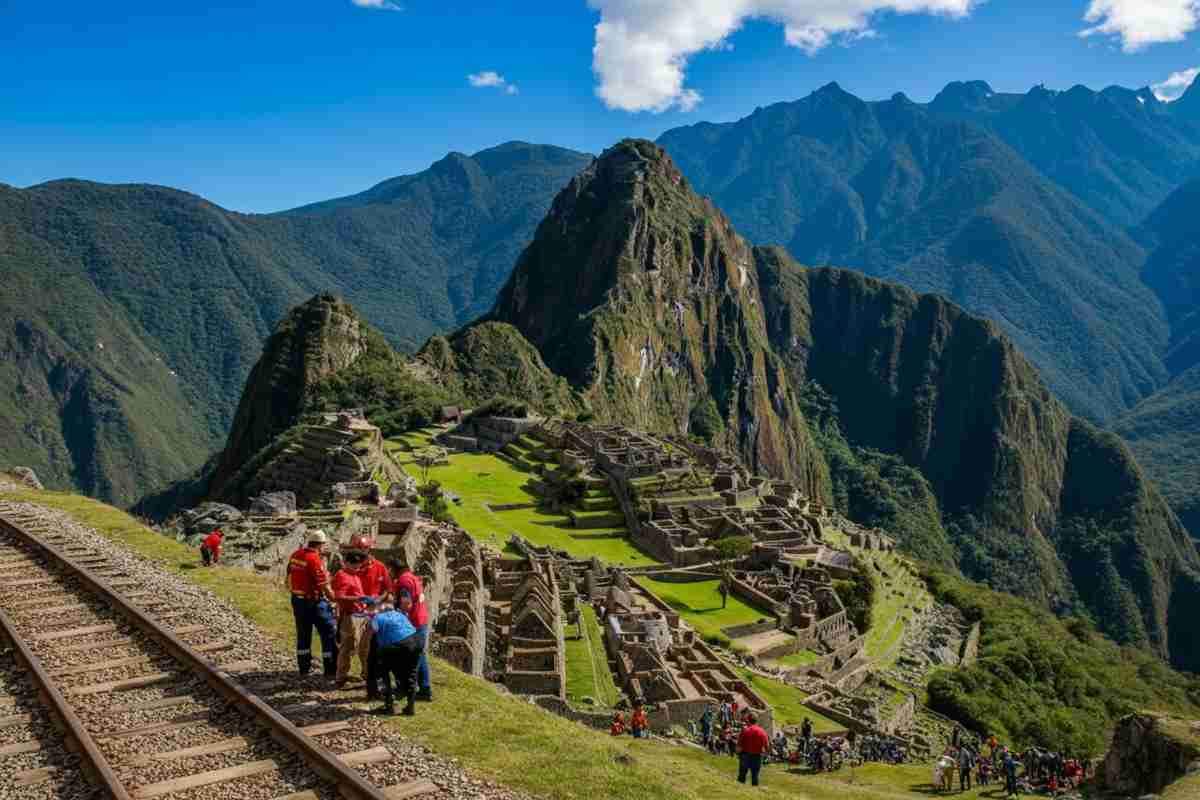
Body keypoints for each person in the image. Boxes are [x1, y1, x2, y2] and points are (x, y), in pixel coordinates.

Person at [286, 530, 338, 677]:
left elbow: (289, 573)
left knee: (303, 634)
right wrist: (335, 599)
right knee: (328, 632)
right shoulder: (314, 559)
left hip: (297, 599)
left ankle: (304, 668)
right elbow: (324, 585)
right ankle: (330, 669)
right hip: (313, 602)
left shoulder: (295, 555)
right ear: (320, 545)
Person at [348, 538, 390, 698]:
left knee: (370, 645)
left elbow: (387, 589)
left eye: (363, 549)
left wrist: (379, 600)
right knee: (354, 644)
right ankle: (360, 674)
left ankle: (368, 675)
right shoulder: (351, 567)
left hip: (374, 611)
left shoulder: (379, 567)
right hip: (355, 611)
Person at [371, 591, 423, 716]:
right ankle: (410, 707)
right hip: (416, 641)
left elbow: (372, 631)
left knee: (381, 671)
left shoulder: (377, 618)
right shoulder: (399, 614)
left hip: (397, 645)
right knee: (411, 673)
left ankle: (389, 704)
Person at [391, 559, 431, 702]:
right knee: (419, 655)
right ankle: (425, 689)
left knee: (409, 657)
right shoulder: (414, 578)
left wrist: (396, 616)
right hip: (421, 620)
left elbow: (406, 603)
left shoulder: (403, 582)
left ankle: (407, 688)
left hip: (412, 623)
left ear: (395, 570)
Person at [331, 553, 371, 688]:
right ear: (346, 563)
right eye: (354, 567)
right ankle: (341, 677)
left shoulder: (354, 575)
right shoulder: (342, 576)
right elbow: (339, 597)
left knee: (365, 646)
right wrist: (358, 599)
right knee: (348, 647)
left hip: (362, 614)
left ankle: (367, 674)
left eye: (358, 567)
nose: (357, 570)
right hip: (350, 616)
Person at [736, 713, 769, 786]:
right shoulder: (762, 731)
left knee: (741, 776)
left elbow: (738, 746)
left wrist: (738, 754)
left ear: (748, 720)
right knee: (755, 777)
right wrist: (765, 755)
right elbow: (767, 746)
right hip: (757, 756)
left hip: (745, 755)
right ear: (756, 721)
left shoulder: (745, 731)